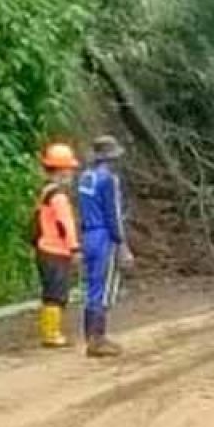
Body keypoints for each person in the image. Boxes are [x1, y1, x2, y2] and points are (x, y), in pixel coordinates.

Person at [77, 135, 132, 358]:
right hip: (103, 236)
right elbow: (113, 214)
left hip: (88, 234)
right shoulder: (108, 180)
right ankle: (98, 338)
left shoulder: (85, 177)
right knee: (104, 288)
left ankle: (90, 336)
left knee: (92, 286)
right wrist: (122, 243)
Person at [34, 143, 81, 349]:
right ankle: (51, 334)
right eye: (69, 169)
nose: (71, 174)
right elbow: (65, 224)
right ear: (62, 170)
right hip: (55, 250)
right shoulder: (59, 196)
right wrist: (74, 248)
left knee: (50, 292)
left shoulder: (46, 192)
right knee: (56, 293)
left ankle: (51, 332)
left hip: (44, 248)